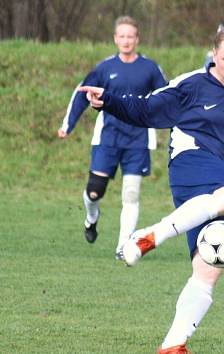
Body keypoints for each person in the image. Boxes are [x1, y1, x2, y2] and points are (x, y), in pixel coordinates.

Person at [80, 26, 224, 353]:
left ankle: (173, 345)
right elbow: (146, 109)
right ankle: (150, 235)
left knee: (210, 266)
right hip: (190, 159)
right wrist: (108, 101)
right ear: (213, 55)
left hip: (218, 180)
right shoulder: (191, 85)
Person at [57, 16, 167, 259]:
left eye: (131, 36)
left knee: (131, 193)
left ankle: (122, 247)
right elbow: (81, 93)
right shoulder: (104, 68)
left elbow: (166, 98)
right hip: (108, 138)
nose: (126, 41)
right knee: (95, 191)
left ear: (137, 39)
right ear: (115, 39)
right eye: (122, 36)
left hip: (138, 139)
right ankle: (91, 217)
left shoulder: (150, 68)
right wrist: (68, 125)